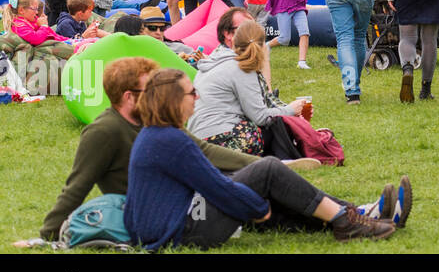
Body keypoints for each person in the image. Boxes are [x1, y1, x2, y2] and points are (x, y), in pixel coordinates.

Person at [127, 68, 402, 249]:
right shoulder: (170, 140)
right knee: (267, 169)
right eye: (191, 93)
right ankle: (348, 219)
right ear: (173, 100)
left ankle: (353, 214)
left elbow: (211, 182)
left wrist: (252, 201)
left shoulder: (157, 134)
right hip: (182, 232)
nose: (197, 98)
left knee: (260, 182)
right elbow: (217, 188)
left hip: (172, 226)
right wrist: (257, 208)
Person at [37, 57, 271, 240]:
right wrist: (47, 234)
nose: (157, 94)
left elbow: (204, 150)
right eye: (149, 90)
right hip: (160, 213)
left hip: (186, 195)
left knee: (258, 178)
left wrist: (258, 163)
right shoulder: (104, 131)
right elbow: (77, 186)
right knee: (246, 187)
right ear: (129, 97)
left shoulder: (153, 118)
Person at [189, 20, 309, 154]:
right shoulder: (242, 68)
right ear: (263, 47)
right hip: (220, 141)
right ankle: (286, 157)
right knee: (272, 127)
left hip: (196, 142)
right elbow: (260, 116)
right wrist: (290, 109)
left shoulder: (215, 61)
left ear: (234, 41)